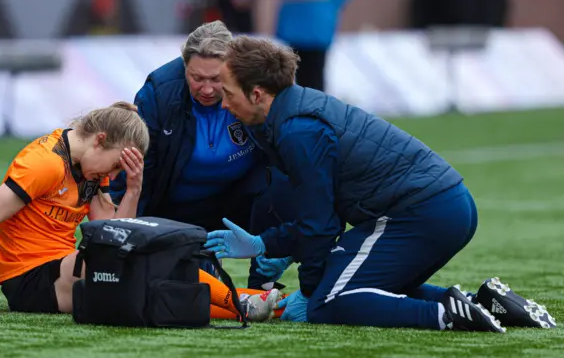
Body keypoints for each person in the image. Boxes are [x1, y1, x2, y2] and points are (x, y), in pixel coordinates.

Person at [204, 36, 556, 331]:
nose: (223, 104)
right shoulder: (291, 115)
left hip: (423, 212)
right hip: (435, 207)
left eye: (229, 93)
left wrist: (310, 291)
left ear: (258, 94)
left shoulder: (298, 130)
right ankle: (485, 303)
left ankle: (447, 316)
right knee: (353, 287)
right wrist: (264, 244)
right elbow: (319, 219)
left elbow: (321, 226)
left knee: (328, 302)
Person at [0, 101, 282, 321]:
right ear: (100, 139)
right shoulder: (44, 164)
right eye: (116, 166)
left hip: (67, 266)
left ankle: (264, 303)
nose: (112, 176)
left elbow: (117, 233)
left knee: (146, 285)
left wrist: (133, 189)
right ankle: (244, 302)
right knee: (139, 271)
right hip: (30, 281)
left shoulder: (91, 168)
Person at [109, 20, 295, 289]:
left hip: (238, 203)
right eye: (197, 78)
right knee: (185, 286)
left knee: (283, 184)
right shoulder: (159, 94)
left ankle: (261, 285)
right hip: (174, 211)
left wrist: (280, 240)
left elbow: (286, 159)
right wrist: (124, 238)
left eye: (216, 80)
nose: (207, 90)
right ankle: (198, 259)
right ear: (185, 67)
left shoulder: (256, 87)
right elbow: (138, 171)